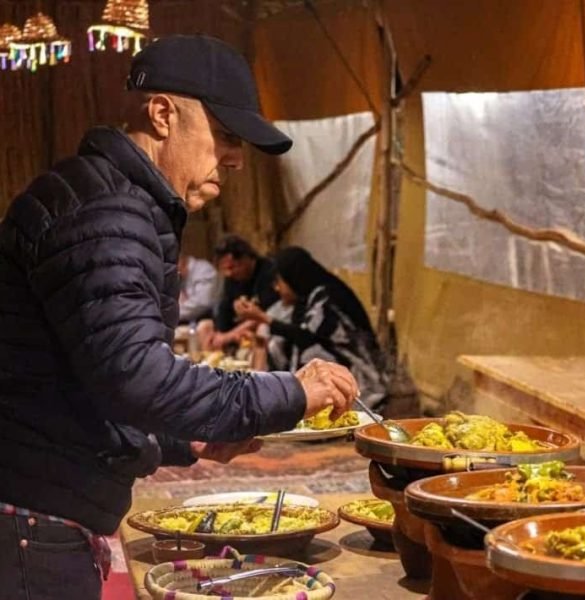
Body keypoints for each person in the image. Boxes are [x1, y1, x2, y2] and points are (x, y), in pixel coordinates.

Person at [0, 35, 358, 600]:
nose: (237, 157)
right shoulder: (108, 210)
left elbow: (88, 377)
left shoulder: (107, 198)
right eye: (226, 135)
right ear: (163, 115)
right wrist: (288, 392)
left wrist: (181, 439)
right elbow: (135, 377)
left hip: (36, 514)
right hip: (30, 523)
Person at [235, 246, 388, 408]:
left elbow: (306, 337)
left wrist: (263, 318)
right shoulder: (307, 298)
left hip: (359, 375)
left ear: (294, 278)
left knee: (311, 355)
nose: (277, 288)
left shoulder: (328, 297)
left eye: (280, 281)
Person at [202, 235, 278, 350]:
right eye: (225, 270)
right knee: (205, 327)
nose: (229, 274)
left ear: (246, 258)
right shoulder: (232, 279)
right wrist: (218, 333)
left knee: (261, 329)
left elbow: (265, 314)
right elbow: (225, 308)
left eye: (232, 267)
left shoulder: (267, 272)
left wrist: (227, 336)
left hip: (262, 323)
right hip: (238, 326)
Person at [178, 251, 220, 323]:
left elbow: (202, 303)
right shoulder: (179, 276)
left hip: (207, 321)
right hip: (186, 321)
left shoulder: (204, 270)